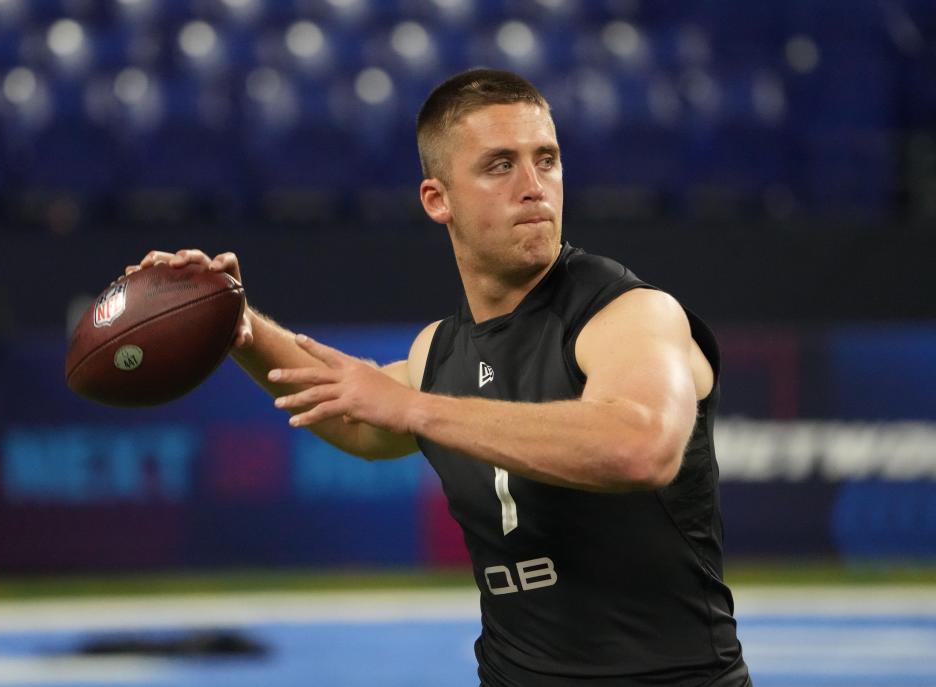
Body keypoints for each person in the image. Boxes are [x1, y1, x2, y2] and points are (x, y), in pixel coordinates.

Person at [127, 68, 751, 686]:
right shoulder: (440, 350)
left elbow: (640, 446)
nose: (534, 186)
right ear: (438, 199)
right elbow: (358, 416)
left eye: (548, 159)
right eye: (500, 165)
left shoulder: (629, 313)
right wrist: (237, 324)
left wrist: (417, 409)